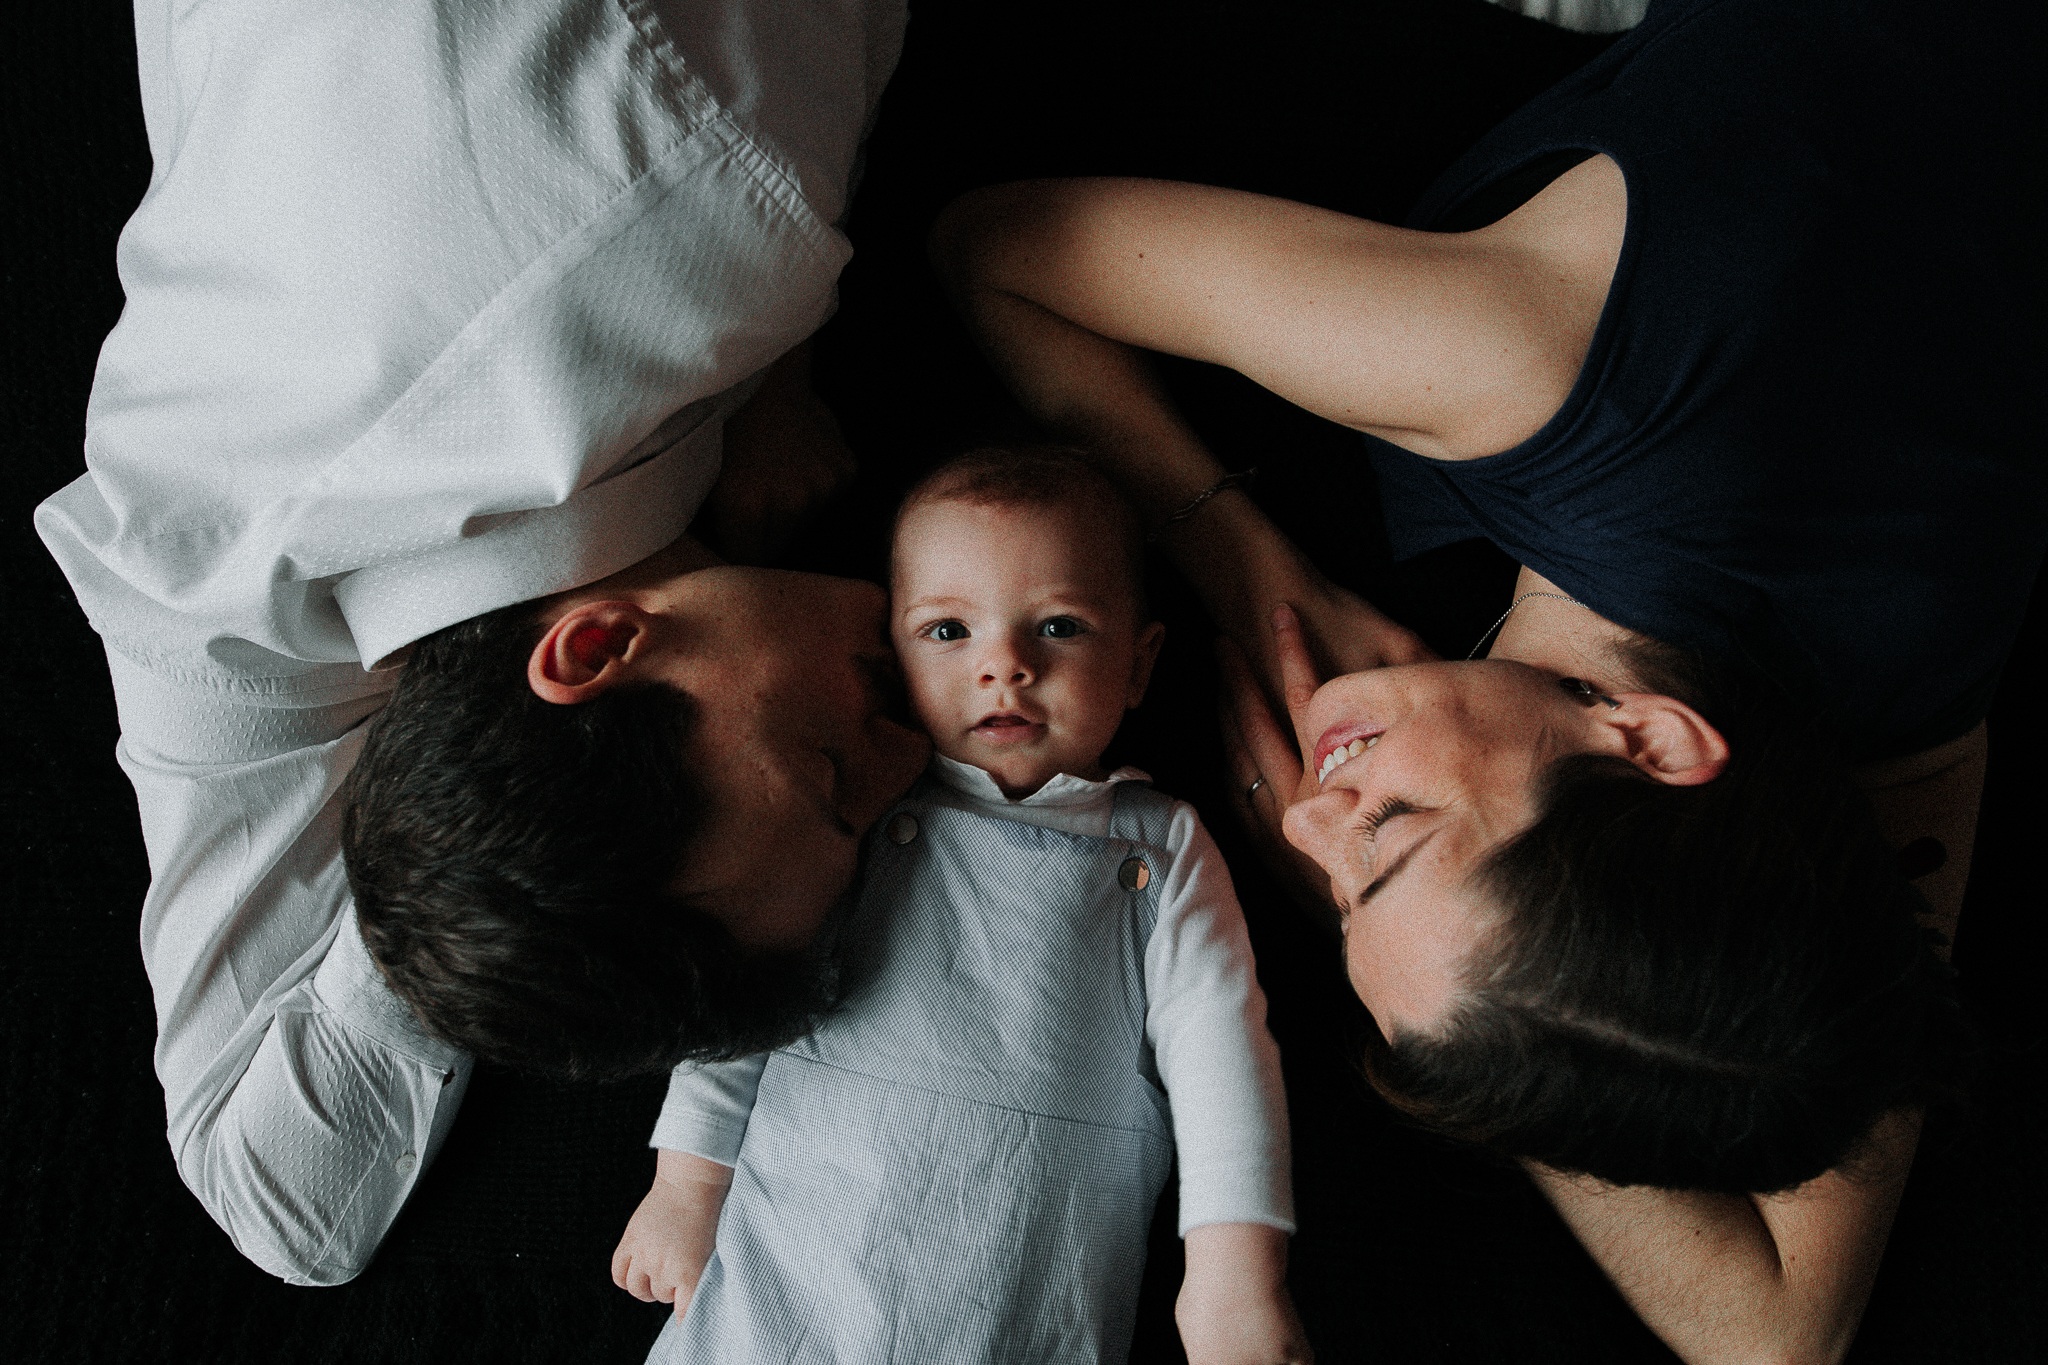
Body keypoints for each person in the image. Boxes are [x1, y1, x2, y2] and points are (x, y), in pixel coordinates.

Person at [928, 1, 2045, 1361]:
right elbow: (993, 249)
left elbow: (1778, 1338)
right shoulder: (1520, 364)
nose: (1302, 821)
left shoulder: (1908, 696)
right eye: (1388, 835)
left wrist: (1477, 1003)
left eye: (1333, 894)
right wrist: (1244, 559)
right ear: (1647, 739)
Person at [33, 0, 915, 1285]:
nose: (906, 756)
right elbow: (276, 1208)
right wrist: (468, 879)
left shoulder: (705, 192)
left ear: (596, 647)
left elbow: (277, 1206)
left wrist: (780, 356)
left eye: (832, 772)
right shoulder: (212, 595)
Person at [610, 449, 1307, 1365]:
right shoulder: (858, 806)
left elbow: (1223, 1052)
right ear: (892, 658)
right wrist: (689, 1176)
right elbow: (755, 972)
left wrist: (1233, 1273)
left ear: (1138, 666)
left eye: (1058, 626)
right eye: (948, 632)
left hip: (1025, 1280)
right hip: (791, 1258)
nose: (1005, 667)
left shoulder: (1161, 845)